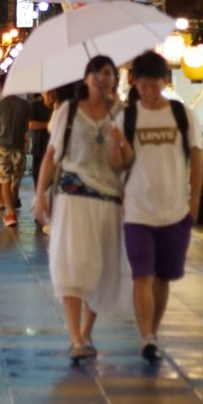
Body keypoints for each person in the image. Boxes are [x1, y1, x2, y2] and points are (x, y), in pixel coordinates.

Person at [32, 55, 129, 362]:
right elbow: (51, 155)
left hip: (108, 200)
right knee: (72, 266)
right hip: (73, 199)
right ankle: (75, 337)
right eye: (98, 74)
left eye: (109, 74)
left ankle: (87, 331)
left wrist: (117, 144)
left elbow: (121, 164)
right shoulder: (67, 111)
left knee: (101, 269)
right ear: (86, 79)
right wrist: (40, 195)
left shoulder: (123, 114)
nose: (104, 80)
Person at [118, 49, 202, 365]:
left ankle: (153, 330)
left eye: (156, 86)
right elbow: (117, 164)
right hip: (137, 210)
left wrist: (194, 201)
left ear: (165, 82)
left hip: (174, 210)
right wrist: (116, 146)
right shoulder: (126, 117)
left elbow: (196, 155)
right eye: (144, 87)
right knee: (142, 274)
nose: (150, 93)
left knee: (163, 277)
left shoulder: (182, 115)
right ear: (134, 82)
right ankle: (146, 337)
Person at [0, 91, 30, 228]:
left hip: (3, 146)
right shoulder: (25, 105)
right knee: (15, 182)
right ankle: (12, 209)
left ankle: (10, 213)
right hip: (19, 146)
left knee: (4, 181)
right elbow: (26, 127)